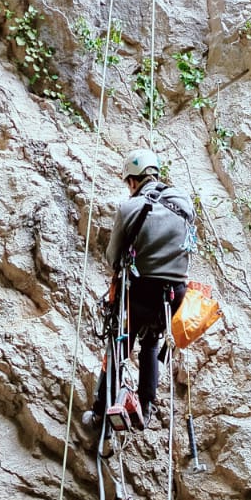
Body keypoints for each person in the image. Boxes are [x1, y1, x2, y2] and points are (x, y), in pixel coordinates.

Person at [86, 149, 195, 430]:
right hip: (174, 293)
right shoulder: (184, 203)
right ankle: (145, 407)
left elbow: (113, 257)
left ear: (132, 182)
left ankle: (101, 411)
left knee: (119, 344)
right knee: (151, 341)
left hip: (139, 291)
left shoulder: (130, 208)